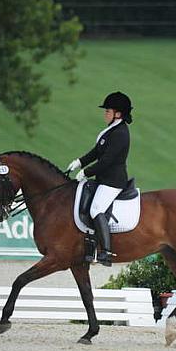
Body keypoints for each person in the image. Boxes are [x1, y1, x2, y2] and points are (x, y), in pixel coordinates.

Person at [67, 91, 133, 266]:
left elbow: (106, 160)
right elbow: (97, 152)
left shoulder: (120, 133)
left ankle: (106, 251)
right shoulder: (111, 130)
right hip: (103, 179)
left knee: (96, 209)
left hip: (113, 181)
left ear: (118, 114)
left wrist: (86, 173)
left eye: (107, 111)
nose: (105, 114)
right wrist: (79, 162)